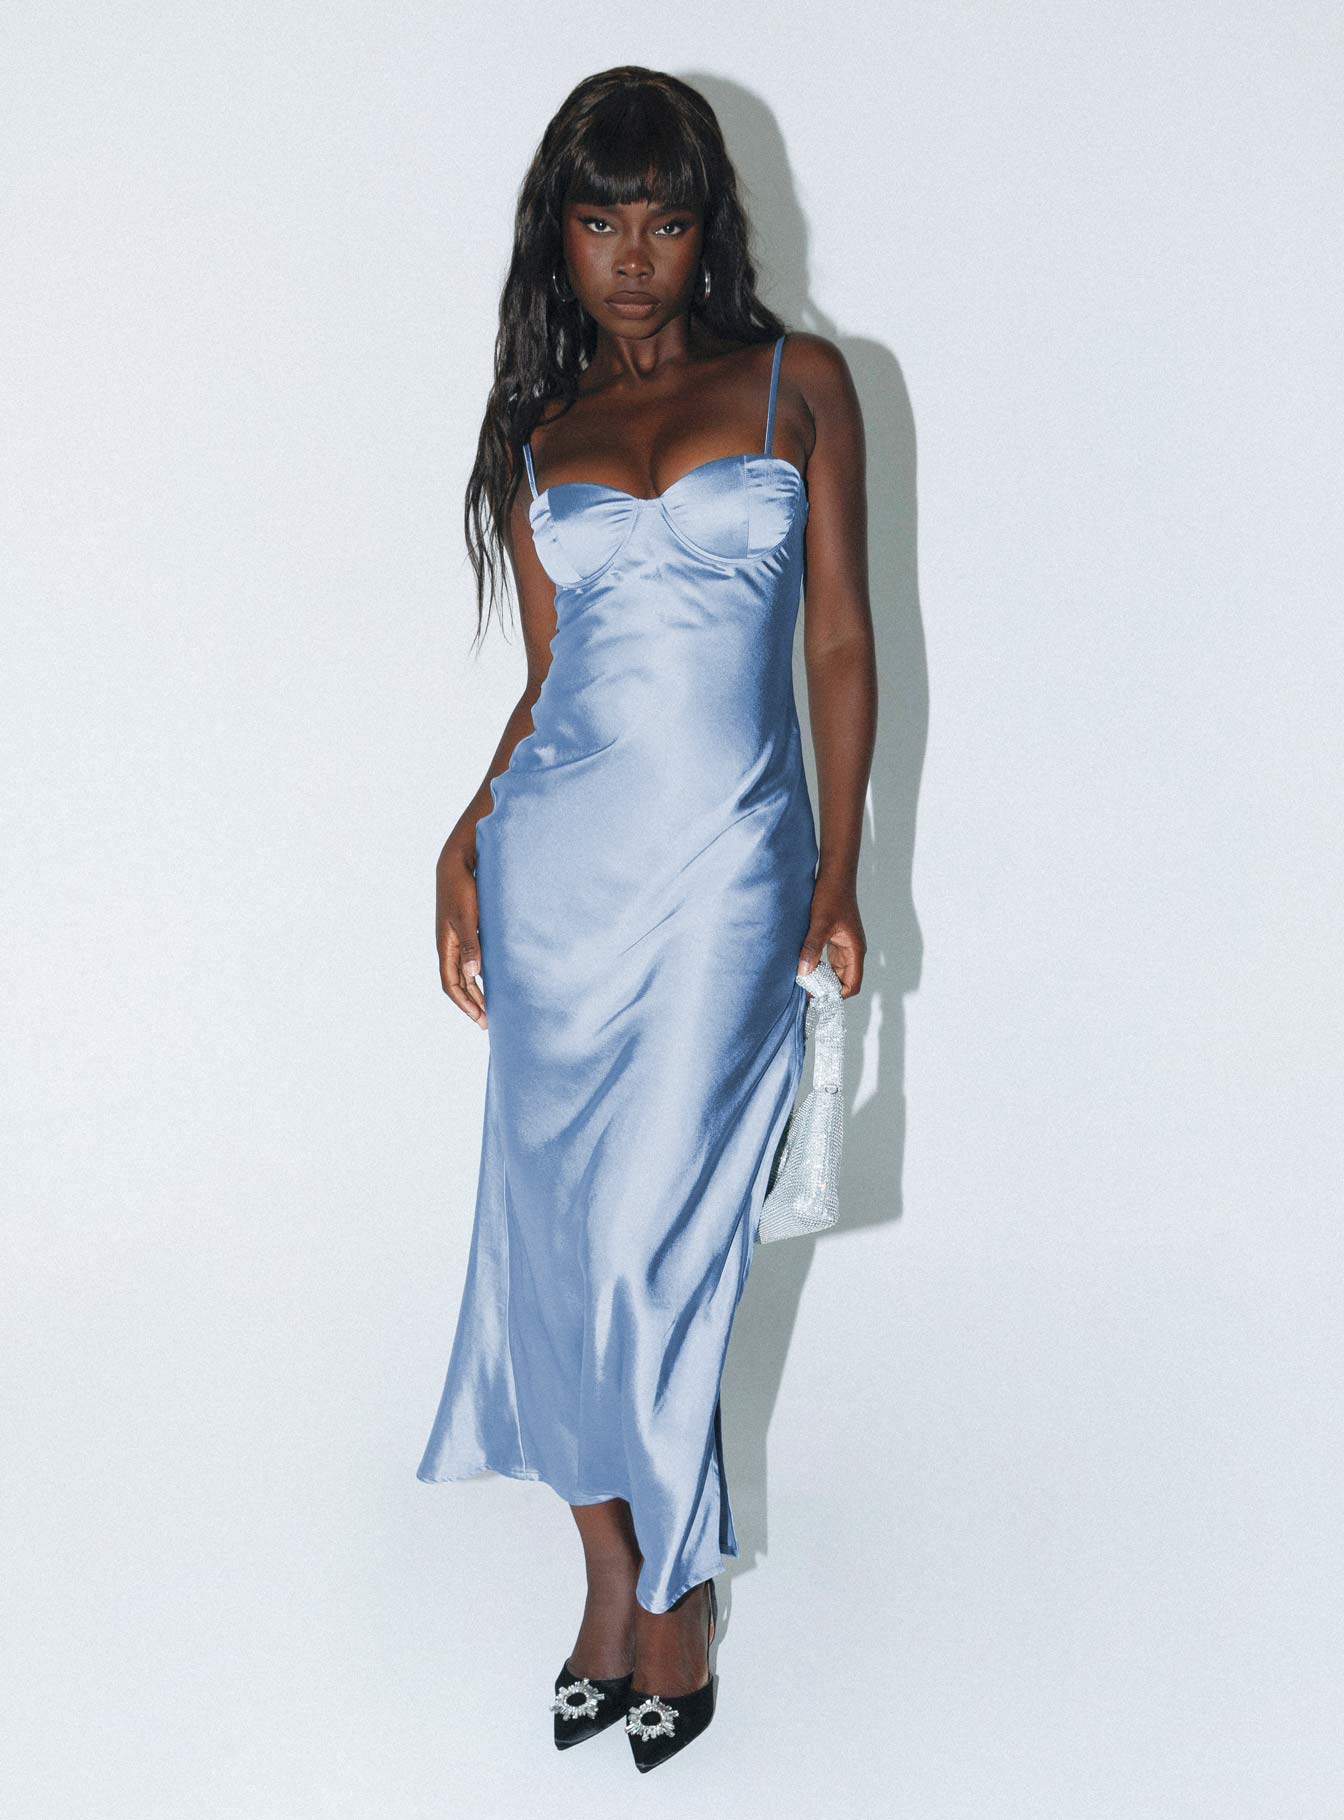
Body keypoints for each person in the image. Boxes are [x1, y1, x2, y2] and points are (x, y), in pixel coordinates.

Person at [417, 66, 876, 1770]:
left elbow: (840, 640)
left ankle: (674, 1587)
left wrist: (838, 868)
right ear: (560, 234)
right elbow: (553, 686)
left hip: (735, 871)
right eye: (601, 222)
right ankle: (614, 1578)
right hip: (558, 877)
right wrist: (465, 835)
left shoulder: (799, 383)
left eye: (666, 223)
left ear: (708, 232)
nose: (633, 259)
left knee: (655, 1248)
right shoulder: (542, 437)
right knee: (558, 1246)